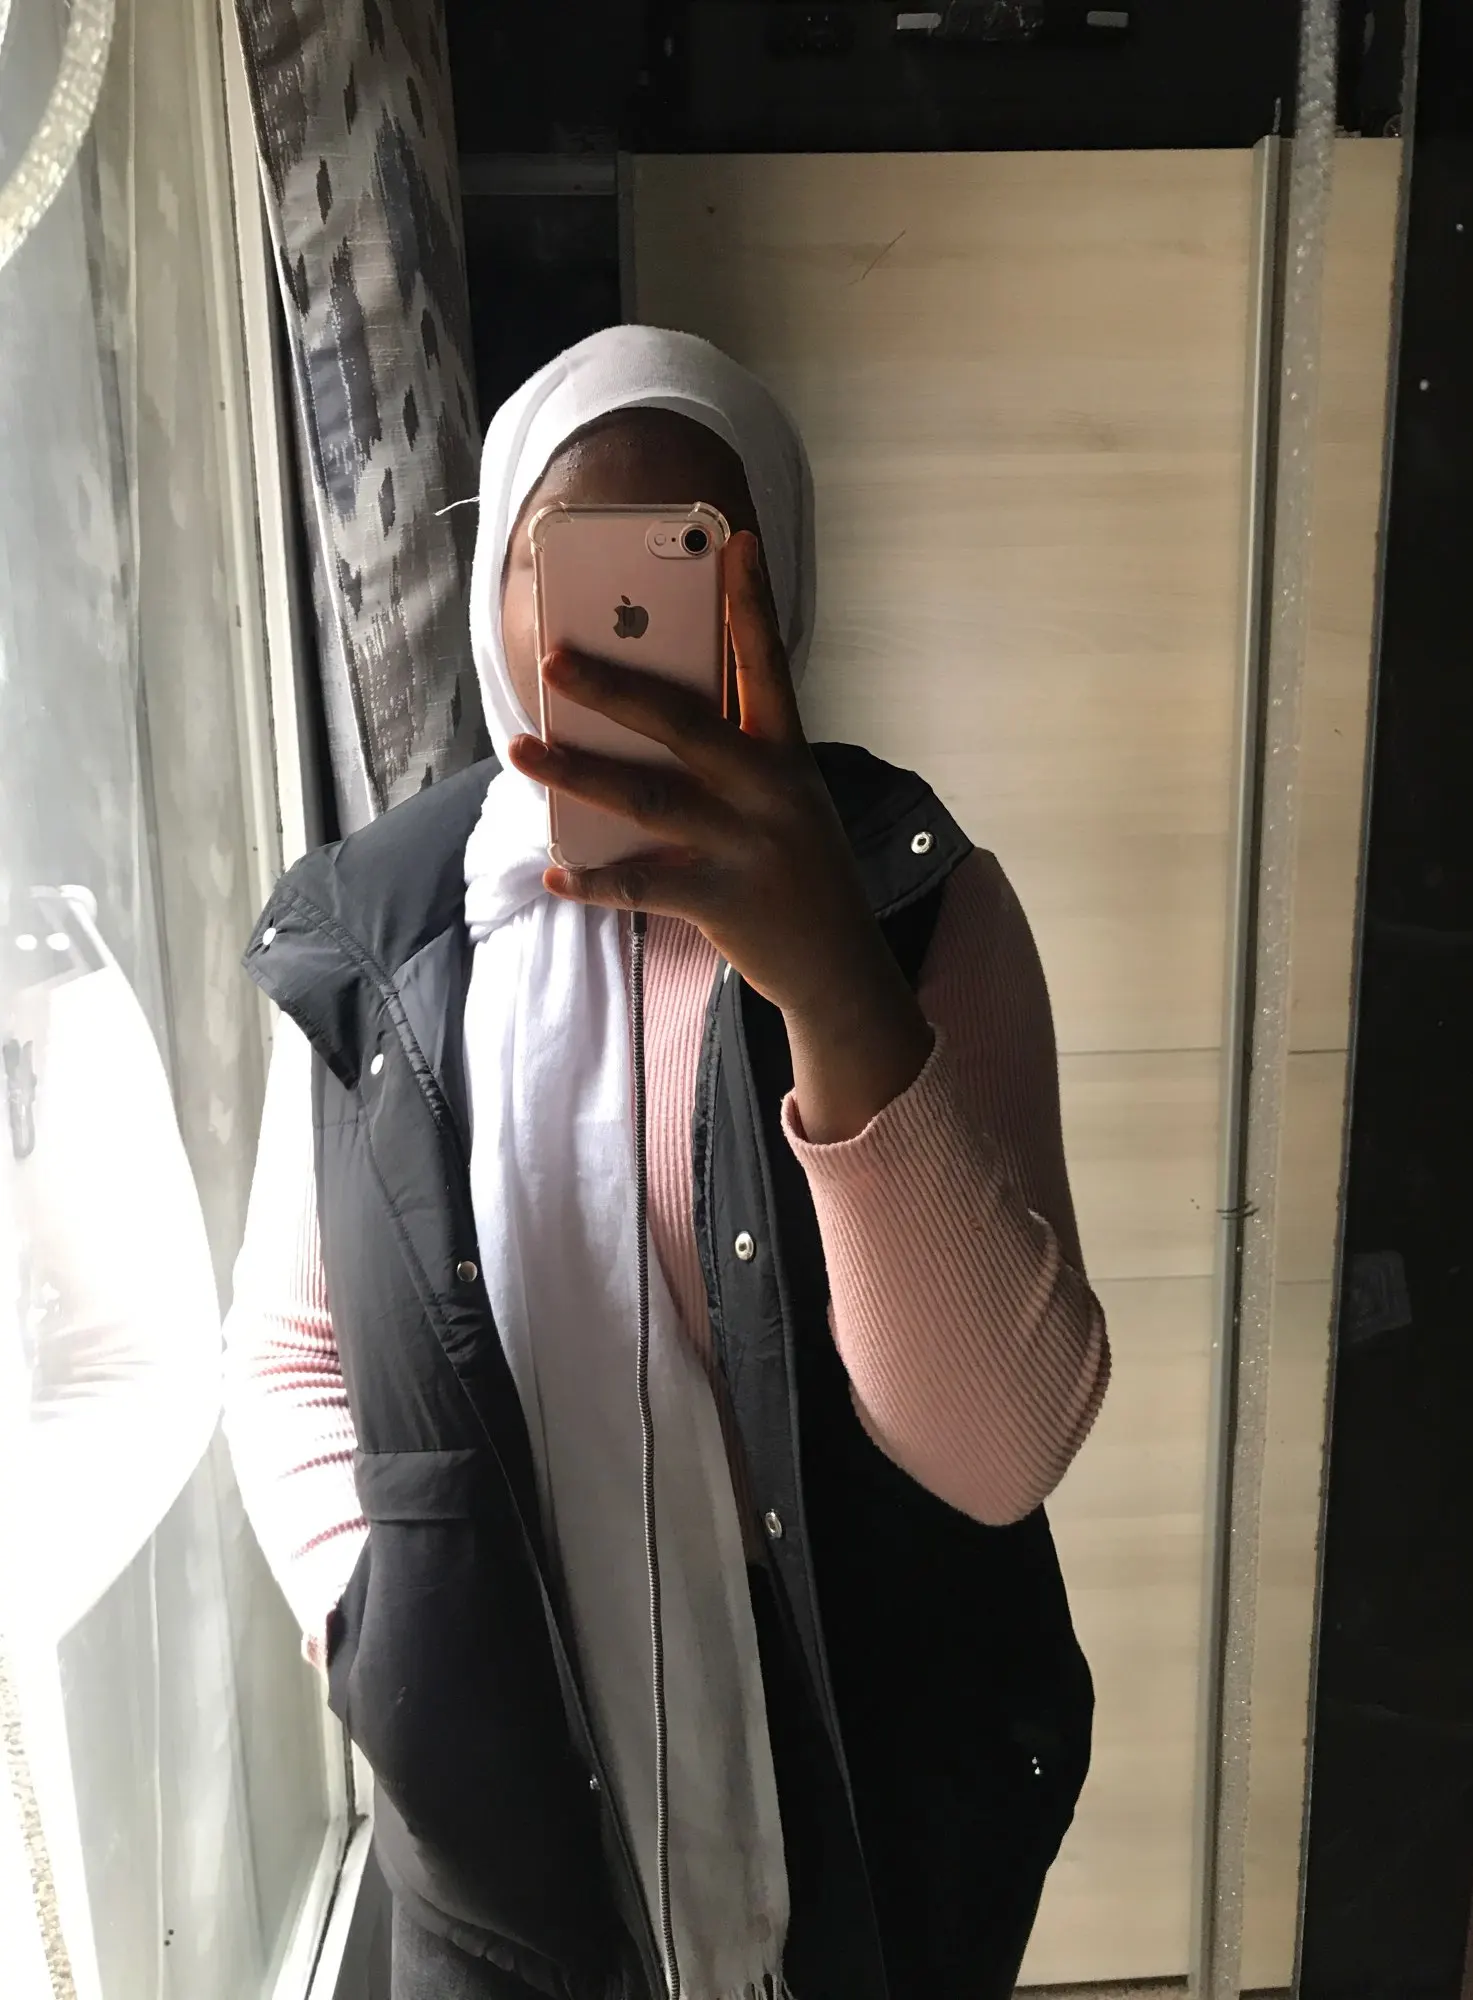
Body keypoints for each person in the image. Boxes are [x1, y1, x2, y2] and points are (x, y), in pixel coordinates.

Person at [224, 326, 1110, 2000]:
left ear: (775, 595)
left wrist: (832, 978)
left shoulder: (919, 904)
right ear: (497, 591)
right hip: (499, 1842)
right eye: (573, 565)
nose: (625, 628)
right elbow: (288, 1353)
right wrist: (385, 1629)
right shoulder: (375, 939)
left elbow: (999, 1454)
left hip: (865, 1842)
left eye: (692, 563)